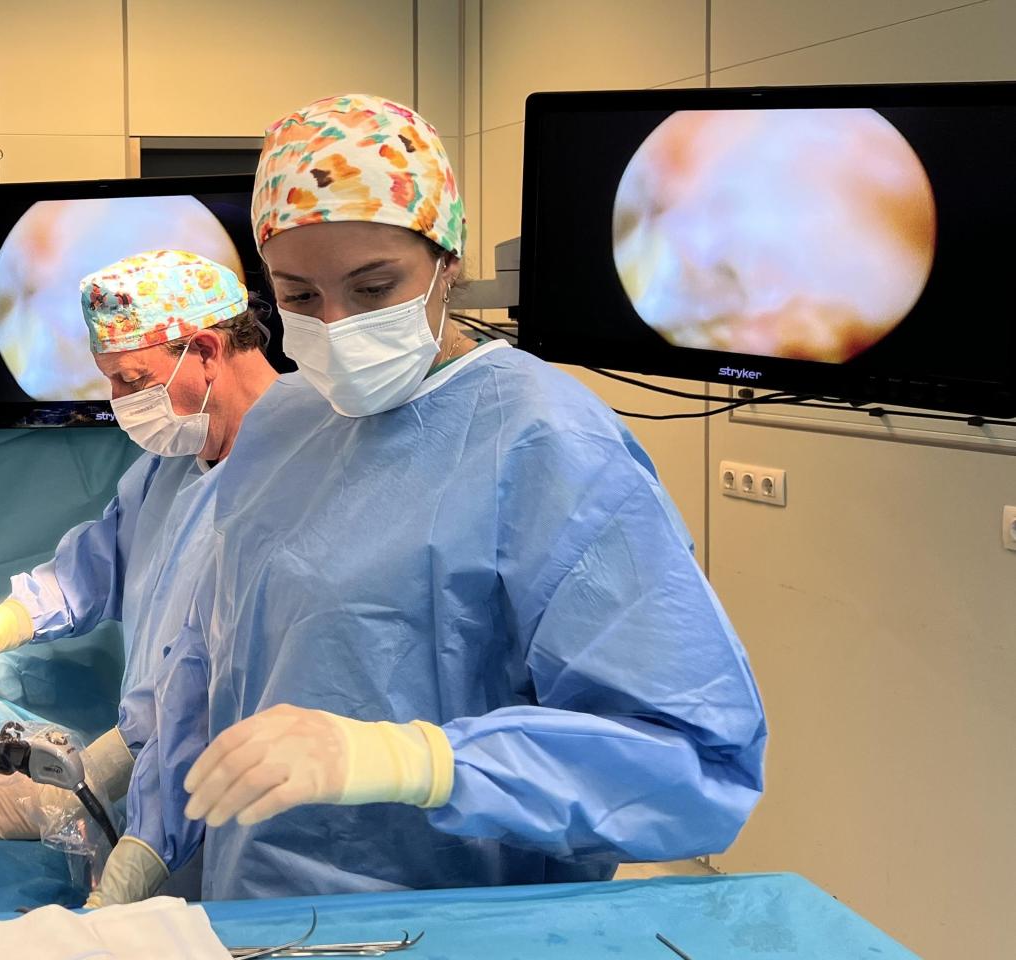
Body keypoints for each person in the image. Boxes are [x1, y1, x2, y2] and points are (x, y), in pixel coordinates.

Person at [98, 94, 768, 904]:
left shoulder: (544, 443)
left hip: (448, 916)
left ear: (446, 262)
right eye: (301, 296)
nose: (336, 325)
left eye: (374, 287)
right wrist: (146, 843)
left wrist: (417, 761)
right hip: (254, 902)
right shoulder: (284, 425)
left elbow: (691, 762)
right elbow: (213, 662)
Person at [0, 250, 282, 856]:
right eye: (108, 379)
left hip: (248, 816)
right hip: (152, 796)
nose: (117, 400)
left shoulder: (300, 474)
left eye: (132, 380)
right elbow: (86, 574)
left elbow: (212, 688)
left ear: (207, 352)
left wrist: (74, 789)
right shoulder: (170, 468)